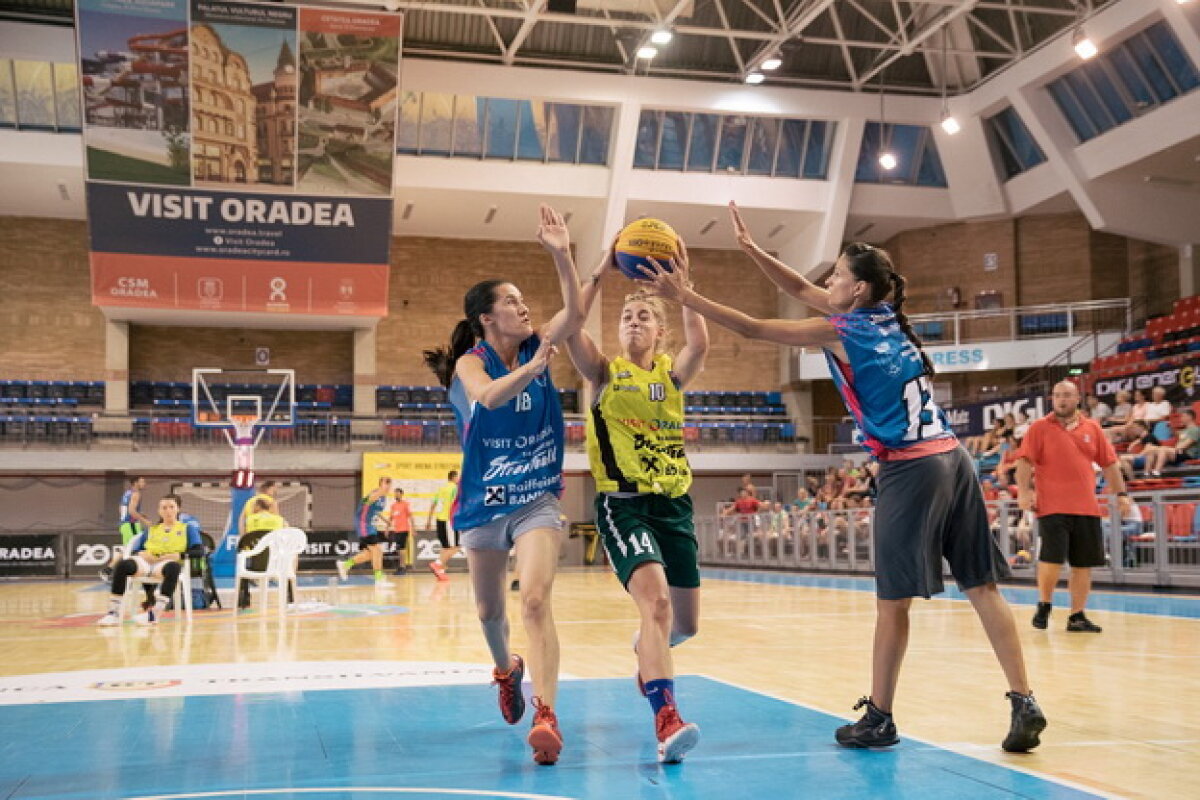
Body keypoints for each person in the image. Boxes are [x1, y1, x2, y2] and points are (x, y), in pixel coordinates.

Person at [639, 200, 1045, 754]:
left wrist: (684, 296)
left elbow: (754, 327)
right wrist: (754, 251)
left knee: (892, 603)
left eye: (835, 276)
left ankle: (879, 717)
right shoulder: (885, 317)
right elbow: (799, 289)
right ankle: (1024, 699)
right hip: (955, 459)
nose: (826, 282)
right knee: (982, 587)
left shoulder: (843, 331)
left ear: (856, 289)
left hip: (912, 467)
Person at [421, 203, 584, 766]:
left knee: (535, 600)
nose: (523, 306)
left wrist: (563, 255)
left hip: (536, 496)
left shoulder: (539, 341)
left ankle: (547, 715)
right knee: (490, 612)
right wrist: (533, 369)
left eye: (523, 299)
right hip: (483, 502)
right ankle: (505, 669)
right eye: (511, 301)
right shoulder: (471, 363)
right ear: (487, 318)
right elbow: (488, 397)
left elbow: (576, 312)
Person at [562, 238, 709, 765]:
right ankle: (667, 720)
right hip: (623, 505)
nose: (633, 322)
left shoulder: (670, 376)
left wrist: (684, 289)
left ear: (659, 331)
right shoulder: (603, 372)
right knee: (658, 606)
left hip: (674, 505)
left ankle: (647, 652)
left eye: (643, 316)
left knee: (683, 625)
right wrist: (598, 271)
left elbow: (700, 344)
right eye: (626, 316)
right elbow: (572, 326)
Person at [1016, 380, 1132, 634]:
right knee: (1051, 559)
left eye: (1067, 395)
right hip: (1052, 507)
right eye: (1057, 395)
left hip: (1087, 508)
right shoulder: (1039, 428)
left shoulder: (1092, 428)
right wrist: (1024, 492)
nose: (1062, 400)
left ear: (1077, 398)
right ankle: (1044, 604)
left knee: (1083, 564)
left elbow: (1110, 464)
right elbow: (1024, 463)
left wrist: (1121, 494)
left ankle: (1077, 615)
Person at [96, 495, 203, 626]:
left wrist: (180, 555)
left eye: (171, 507)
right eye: (164, 508)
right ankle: (113, 613)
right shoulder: (152, 529)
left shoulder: (187, 528)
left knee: (174, 567)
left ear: (178, 509)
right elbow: (134, 550)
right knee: (123, 565)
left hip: (165, 564)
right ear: (159, 511)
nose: (168, 511)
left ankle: (153, 615)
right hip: (145, 563)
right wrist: (141, 553)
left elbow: (199, 551)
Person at [336, 476, 393, 588]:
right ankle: (379, 579)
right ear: (380, 485)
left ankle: (345, 564)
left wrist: (386, 521)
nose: (388, 486)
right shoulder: (375, 494)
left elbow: (375, 511)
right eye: (385, 483)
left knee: (370, 554)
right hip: (363, 525)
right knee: (377, 551)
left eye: (389, 483)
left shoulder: (383, 498)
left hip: (370, 526)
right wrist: (378, 492)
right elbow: (367, 501)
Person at [101, 476, 150, 581]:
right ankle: (129, 574)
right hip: (131, 524)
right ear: (135, 483)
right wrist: (144, 520)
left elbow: (122, 509)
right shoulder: (136, 494)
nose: (144, 483)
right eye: (142, 482)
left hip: (125, 524)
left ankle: (108, 570)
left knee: (128, 549)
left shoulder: (126, 493)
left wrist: (139, 514)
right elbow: (131, 511)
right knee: (137, 548)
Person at [1141, 408, 1200, 476]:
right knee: (1151, 451)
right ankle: (1146, 474)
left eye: (1183, 416)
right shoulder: (1184, 431)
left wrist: (1175, 449)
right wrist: (1170, 426)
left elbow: (1185, 445)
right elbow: (1176, 434)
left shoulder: (1195, 430)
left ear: (1189, 417)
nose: (1181, 419)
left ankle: (1156, 473)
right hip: (1177, 452)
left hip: (1187, 454)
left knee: (1163, 450)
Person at [425, 470, 461, 581]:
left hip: (439, 520)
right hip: (448, 520)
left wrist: (428, 520)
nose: (459, 479)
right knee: (456, 547)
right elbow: (456, 505)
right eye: (458, 477)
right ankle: (437, 564)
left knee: (445, 547)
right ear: (453, 477)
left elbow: (433, 504)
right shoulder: (454, 488)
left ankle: (440, 572)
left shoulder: (441, 488)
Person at [388, 487, 414, 575]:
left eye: (398, 494)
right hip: (397, 530)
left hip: (404, 529)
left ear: (402, 494)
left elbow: (411, 516)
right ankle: (401, 566)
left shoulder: (405, 504)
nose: (396, 495)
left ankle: (403, 567)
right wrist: (387, 528)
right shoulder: (393, 506)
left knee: (402, 548)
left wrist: (413, 528)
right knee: (399, 549)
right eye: (395, 494)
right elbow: (391, 518)